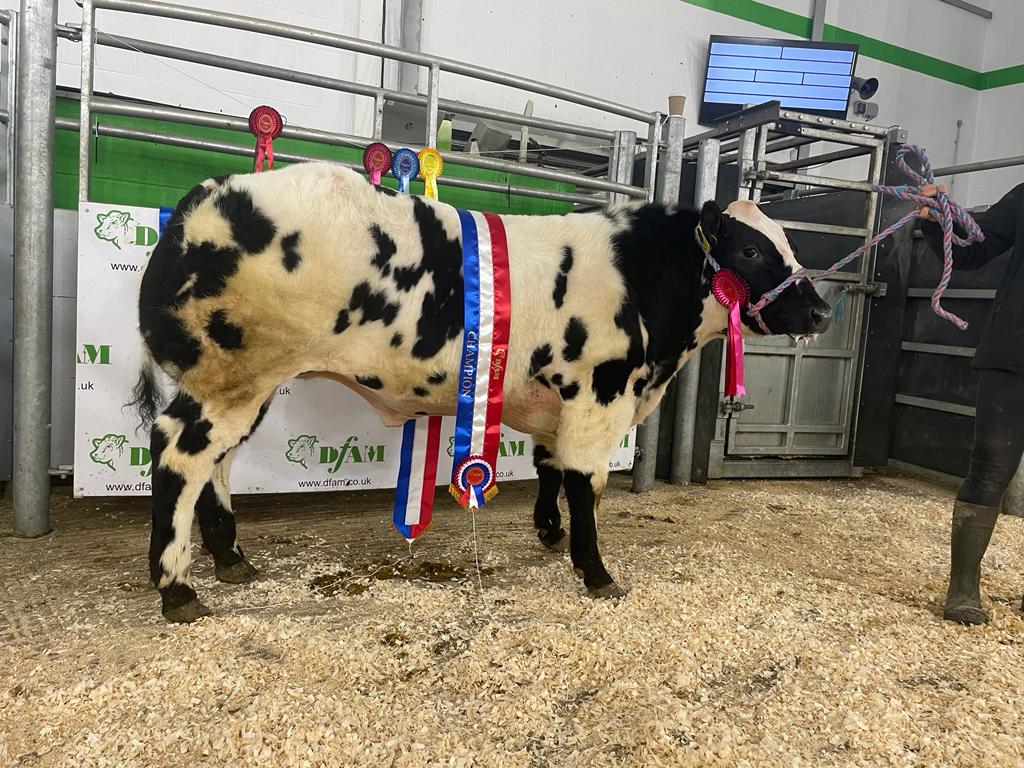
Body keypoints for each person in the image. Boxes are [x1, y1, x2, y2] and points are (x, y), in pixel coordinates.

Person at [918, 181, 1024, 624]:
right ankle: (963, 587)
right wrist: (937, 218)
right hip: (1013, 353)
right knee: (989, 466)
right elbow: (971, 250)